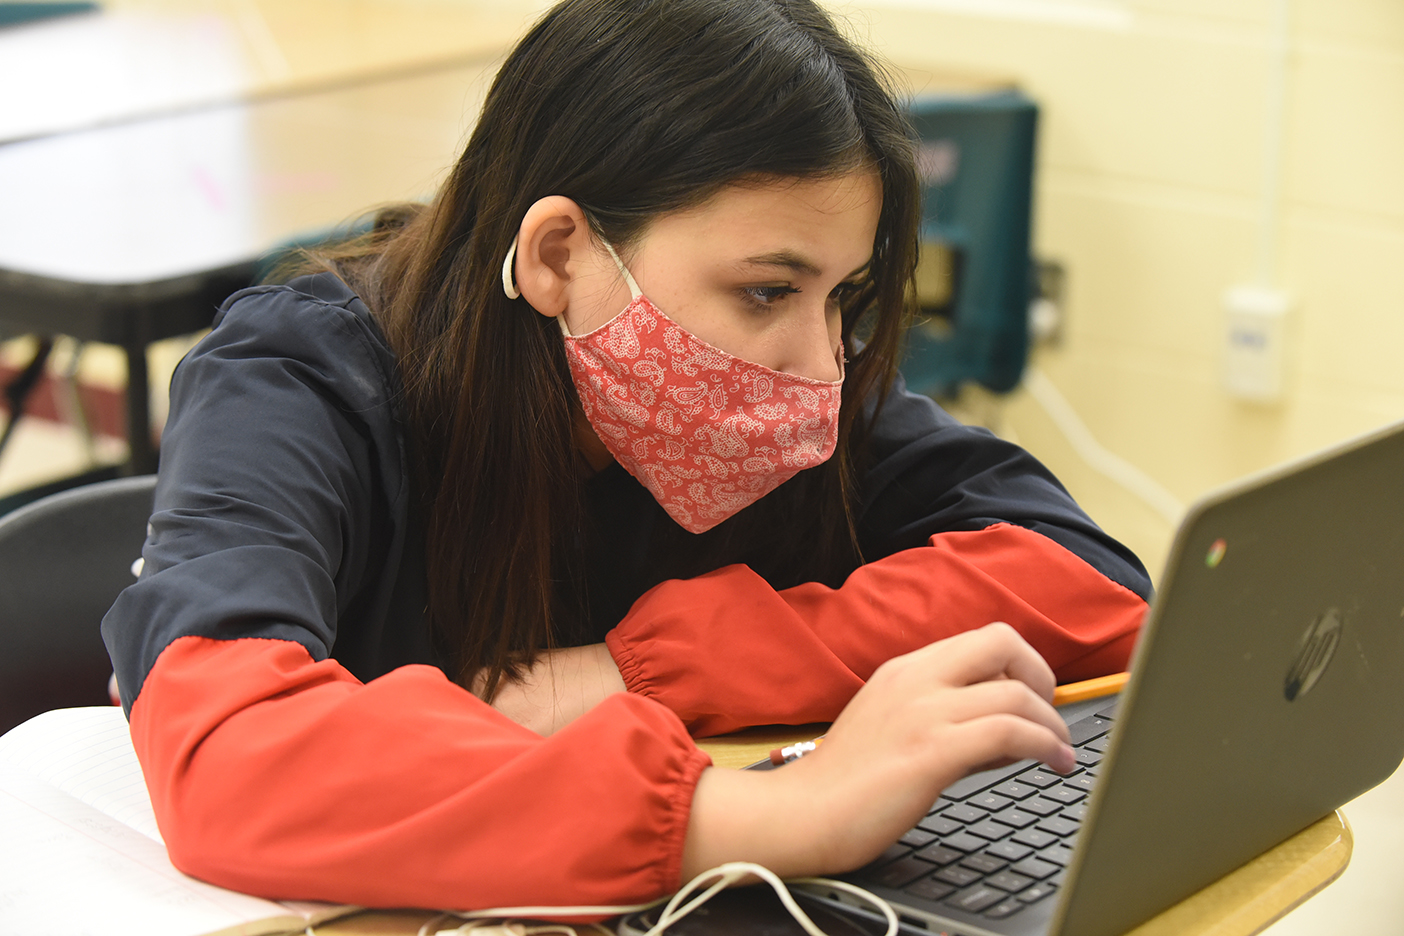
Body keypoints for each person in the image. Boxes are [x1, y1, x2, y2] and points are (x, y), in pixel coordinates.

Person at [102, 0, 1151, 913]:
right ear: (561, 254)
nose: (822, 368)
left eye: (846, 298)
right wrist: (755, 815)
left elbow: (1091, 584)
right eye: (766, 291)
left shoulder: (784, 379)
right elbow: (229, 748)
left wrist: (645, 670)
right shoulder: (294, 377)